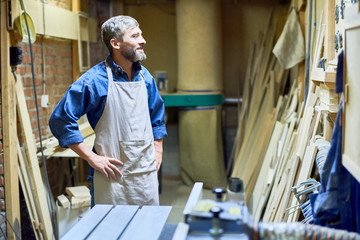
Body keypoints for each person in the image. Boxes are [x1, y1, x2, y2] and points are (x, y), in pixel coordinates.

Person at [49, 15, 167, 206]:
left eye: (141, 34)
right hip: (112, 178)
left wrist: (158, 149)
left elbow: (157, 116)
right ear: (116, 43)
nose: (143, 40)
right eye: (135, 36)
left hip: (145, 176)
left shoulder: (145, 78)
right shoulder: (95, 81)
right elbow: (61, 120)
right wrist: (91, 157)